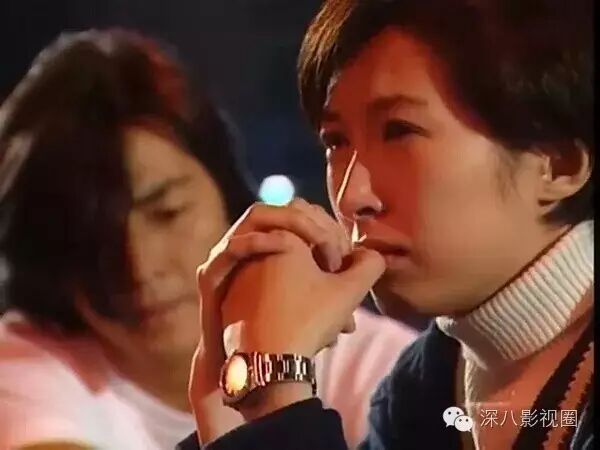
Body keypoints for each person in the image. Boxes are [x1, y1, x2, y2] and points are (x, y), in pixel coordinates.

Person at [180, 0, 593, 449]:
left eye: (399, 131)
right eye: (336, 141)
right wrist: (232, 409)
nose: (351, 197)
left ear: (558, 165)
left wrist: (277, 384)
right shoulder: (418, 391)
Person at [0, 29, 416, 449]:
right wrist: (276, 383)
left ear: (223, 187)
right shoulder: (24, 366)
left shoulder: (379, 366)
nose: (139, 267)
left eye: (168, 213)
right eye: (92, 237)